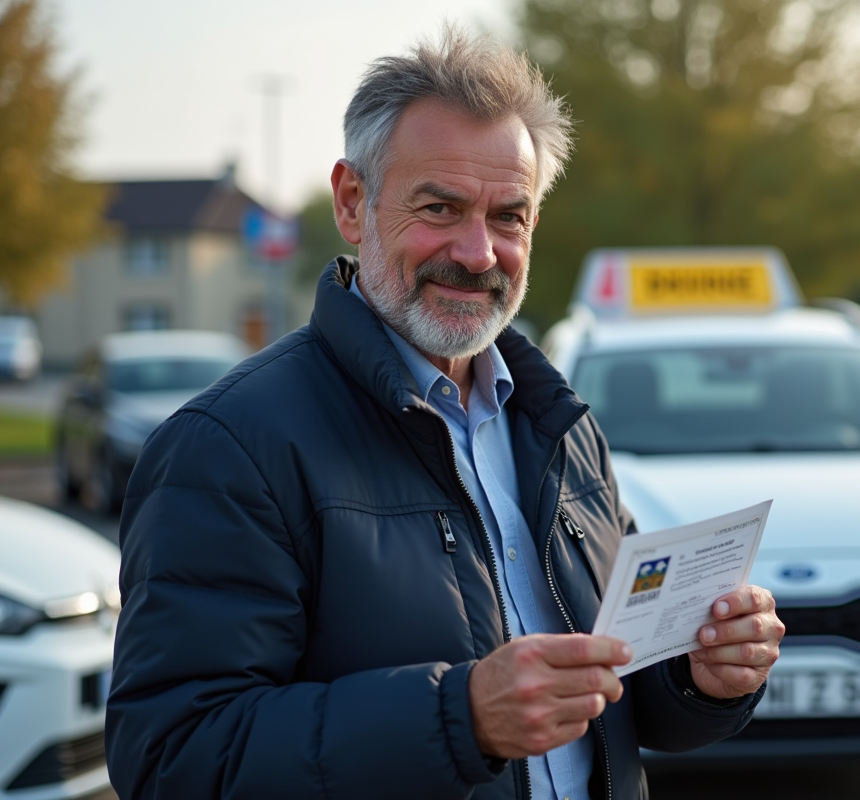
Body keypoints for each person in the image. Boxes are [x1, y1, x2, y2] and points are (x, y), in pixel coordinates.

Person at [106, 27, 784, 800]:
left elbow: (623, 696)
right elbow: (173, 757)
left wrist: (701, 676)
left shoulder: (560, 427)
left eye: (508, 217)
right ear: (353, 203)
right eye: (441, 207)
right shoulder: (229, 447)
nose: (477, 252)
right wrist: (458, 719)